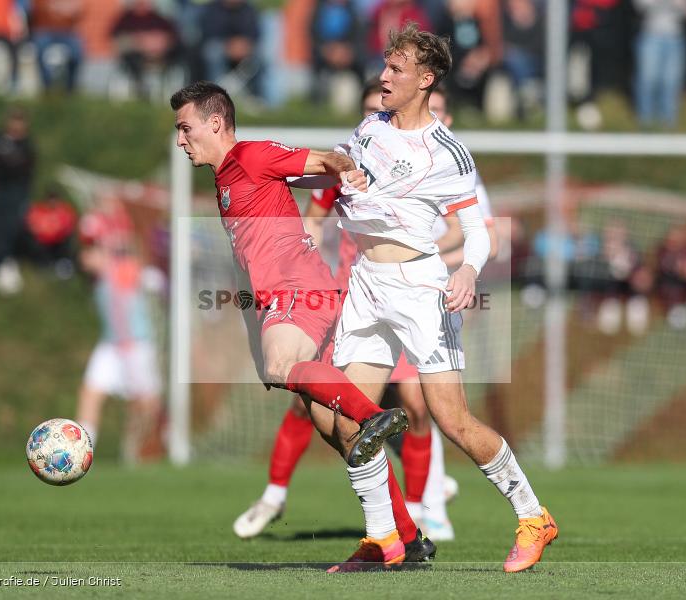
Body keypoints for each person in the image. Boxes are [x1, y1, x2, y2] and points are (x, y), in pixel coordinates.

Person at [171, 81, 435, 568]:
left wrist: (350, 168)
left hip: (301, 291)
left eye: (186, 128)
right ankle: (405, 537)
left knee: (305, 382)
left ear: (215, 123)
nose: (181, 140)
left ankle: (373, 416)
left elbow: (325, 162)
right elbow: (249, 264)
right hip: (290, 299)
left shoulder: (250, 155)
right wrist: (257, 337)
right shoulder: (228, 177)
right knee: (334, 428)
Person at [328, 23, 557, 573]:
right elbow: (342, 177)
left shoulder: (447, 153)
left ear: (425, 79)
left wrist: (469, 271)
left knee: (451, 419)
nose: (383, 77)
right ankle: (384, 540)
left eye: (396, 70)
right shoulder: (371, 126)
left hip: (419, 289)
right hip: (366, 284)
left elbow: (478, 230)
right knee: (345, 421)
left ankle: (533, 516)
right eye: (384, 65)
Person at [232, 82, 485, 544]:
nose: (377, 116)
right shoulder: (352, 161)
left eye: (381, 106)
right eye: (370, 109)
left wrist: (426, 255)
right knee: (313, 402)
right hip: (353, 297)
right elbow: (312, 217)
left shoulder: (436, 164)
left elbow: (469, 230)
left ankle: (419, 512)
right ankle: (276, 495)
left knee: (418, 405)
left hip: (410, 296)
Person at [75, 197, 163, 464]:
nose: (87, 256)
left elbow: (137, 268)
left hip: (136, 344)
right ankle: (80, 454)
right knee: (90, 392)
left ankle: (147, 448)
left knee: (146, 404)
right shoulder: (102, 274)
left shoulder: (127, 268)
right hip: (111, 345)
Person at [0, 108, 36, 296]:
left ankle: (11, 258)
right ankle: (0, 260)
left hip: (17, 191)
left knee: (14, 225)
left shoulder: (27, 145)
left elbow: (28, 170)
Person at [633, 0, 686, 128]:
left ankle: (668, 122)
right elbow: (640, 6)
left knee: (671, 81)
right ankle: (645, 121)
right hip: (651, 35)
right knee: (648, 79)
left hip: (675, 37)